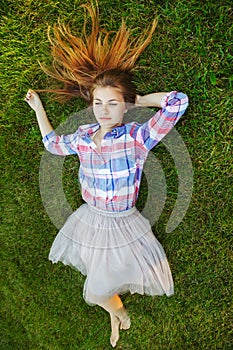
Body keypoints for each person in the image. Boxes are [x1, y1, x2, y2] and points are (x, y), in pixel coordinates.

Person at [25, 2, 188, 347]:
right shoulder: (83, 136)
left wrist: (139, 100)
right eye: (99, 103)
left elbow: (177, 103)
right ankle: (117, 312)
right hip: (90, 219)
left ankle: (117, 311)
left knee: (96, 289)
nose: (104, 110)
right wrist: (39, 109)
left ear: (125, 105)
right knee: (97, 283)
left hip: (122, 222)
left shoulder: (136, 138)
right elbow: (54, 145)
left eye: (113, 103)